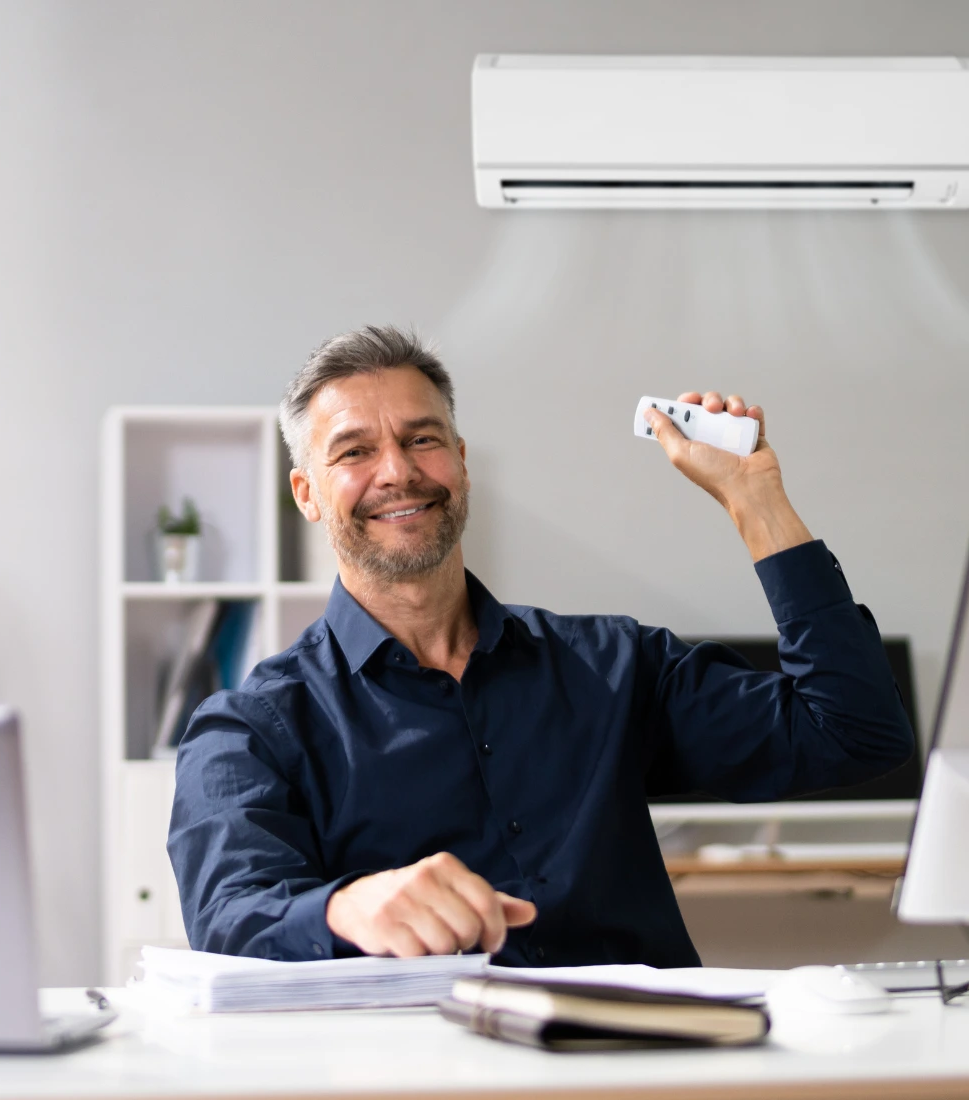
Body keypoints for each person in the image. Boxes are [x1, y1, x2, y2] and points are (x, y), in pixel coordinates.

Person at [167, 325, 914, 966]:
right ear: (307, 494)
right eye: (354, 451)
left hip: (641, 1067)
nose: (397, 471)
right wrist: (348, 910)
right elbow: (229, 919)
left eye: (421, 439)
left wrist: (758, 503)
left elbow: (854, 732)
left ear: (458, 461)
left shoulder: (615, 667)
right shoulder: (251, 729)